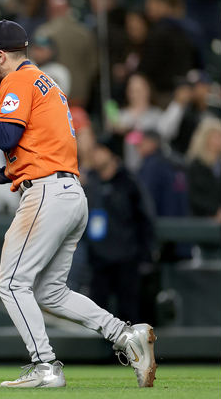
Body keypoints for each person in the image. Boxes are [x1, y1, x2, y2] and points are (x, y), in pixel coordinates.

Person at [0, 20, 156, 388]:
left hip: (47, 193)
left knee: (11, 283)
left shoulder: (18, 80)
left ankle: (45, 366)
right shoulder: (44, 81)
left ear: (0, 54)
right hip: (69, 193)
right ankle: (125, 335)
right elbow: (33, 149)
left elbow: (5, 134)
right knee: (50, 291)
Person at [82, 133, 157, 324]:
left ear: (112, 154)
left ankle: (126, 354)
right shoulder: (89, 183)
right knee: (98, 317)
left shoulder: (129, 183)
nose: (95, 154)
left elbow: (145, 219)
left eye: (100, 150)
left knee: (128, 314)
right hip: (98, 261)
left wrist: (146, 255)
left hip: (127, 260)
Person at [35, 0, 97, 108]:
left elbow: (34, 63)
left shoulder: (43, 32)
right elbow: (93, 66)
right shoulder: (84, 33)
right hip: (79, 93)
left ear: (50, 10)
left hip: (51, 95)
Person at [184, 117, 221, 221]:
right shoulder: (195, 166)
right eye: (216, 137)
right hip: (201, 219)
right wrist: (215, 211)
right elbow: (193, 195)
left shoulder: (220, 164)